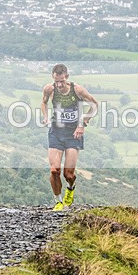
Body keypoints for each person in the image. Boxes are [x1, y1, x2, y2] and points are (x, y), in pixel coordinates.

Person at [41, 64, 98, 211]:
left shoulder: (77, 90)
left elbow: (95, 105)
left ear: (67, 77)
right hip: (56, 132)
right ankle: (58, 201)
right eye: (56, 81)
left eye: (61, 81)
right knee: (54, 170)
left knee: (68, 174)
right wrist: (46, 117)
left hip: (73, 134)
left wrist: (83, 123)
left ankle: (70, 187)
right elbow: (44, 102)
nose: (59, 85)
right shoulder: (49, 89)